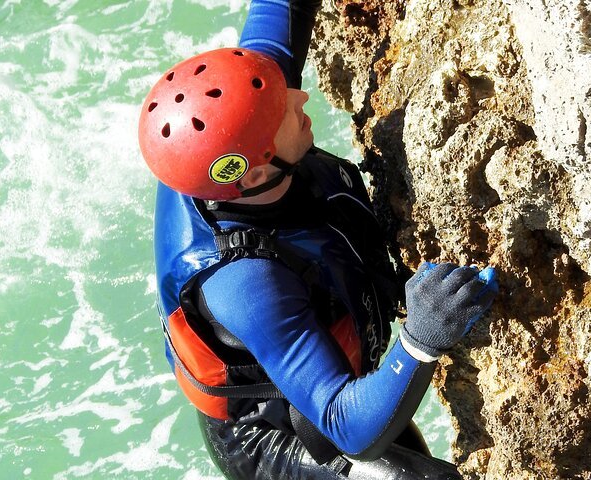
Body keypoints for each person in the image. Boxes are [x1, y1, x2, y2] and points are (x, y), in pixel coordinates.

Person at [138, 1, 499, 478]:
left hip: (315, 373)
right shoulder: (245, 285)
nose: (299, 97)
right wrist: (421, 339)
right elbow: (348, 427)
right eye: (282, 111)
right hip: (272, 431)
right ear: (257, 171)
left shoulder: (230, 129)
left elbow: (281, 7)